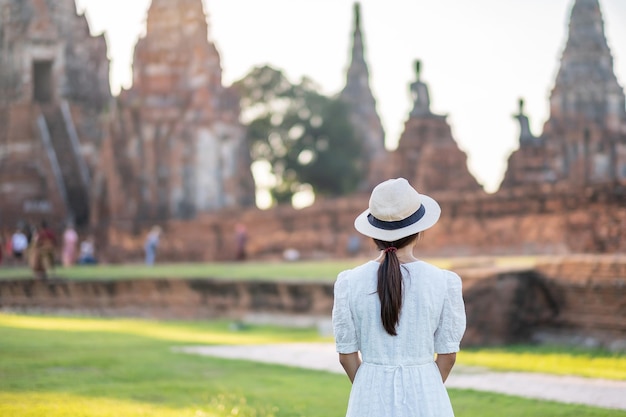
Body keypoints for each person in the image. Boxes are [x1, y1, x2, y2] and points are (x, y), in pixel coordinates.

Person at [332, 178, 466, 417]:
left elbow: (346, 356)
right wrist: (424, 386)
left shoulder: (349, 282)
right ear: (418, 231)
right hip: (427, 394)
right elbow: (448, 355)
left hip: (369, 396)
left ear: (374, 234)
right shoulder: (443, 282)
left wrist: (370, 386)